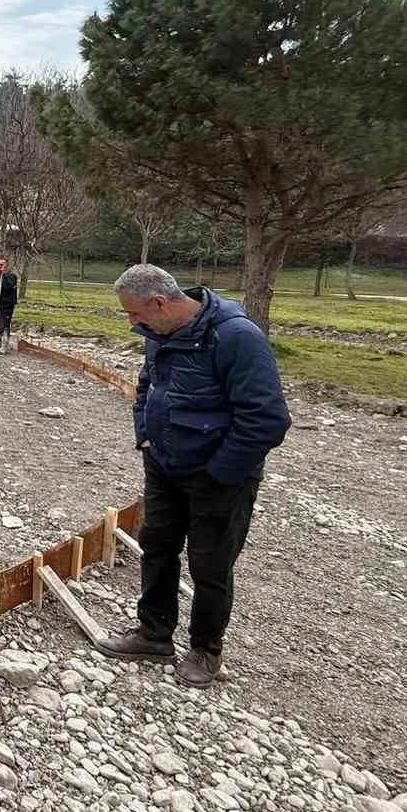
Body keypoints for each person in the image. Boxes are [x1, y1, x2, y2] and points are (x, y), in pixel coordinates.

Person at [98, 264, 291, 688]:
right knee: (157, 548)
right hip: (164, 465)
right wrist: (146, 438)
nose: (132, 323)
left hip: (220, 477)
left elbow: (267, 419)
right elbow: (147, 387)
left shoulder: (236, 337)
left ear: (159, 303)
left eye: (134, 314)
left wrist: (220, 472)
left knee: (211, 563)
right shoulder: (159, 334)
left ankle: (206, 649)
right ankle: (154, 634)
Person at [0, 257, 18, 353]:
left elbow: (8, 286)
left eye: (2, 265)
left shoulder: (11, 276)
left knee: (4, 325)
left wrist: (3, 275)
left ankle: (4, 346)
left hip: (6, 306)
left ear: (7, 266)